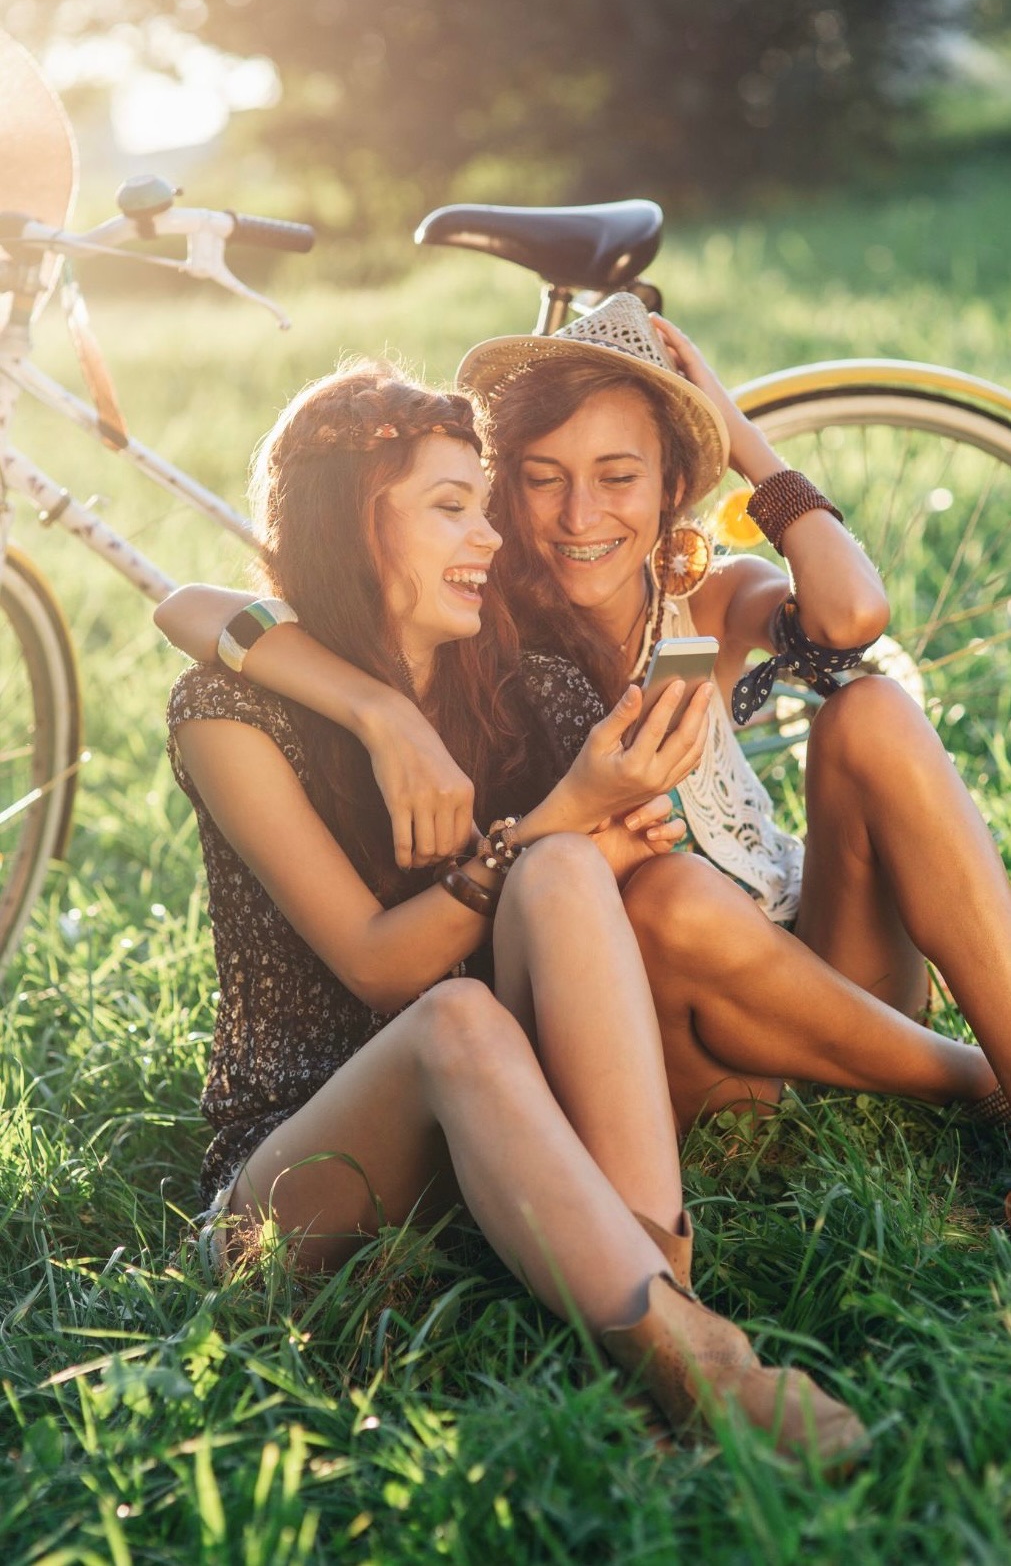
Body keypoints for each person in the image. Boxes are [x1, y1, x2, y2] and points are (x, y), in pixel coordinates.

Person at [158, 362, 867, 1464]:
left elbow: (588, 882)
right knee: (456, 1020)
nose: (489, 535)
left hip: (502, 1149)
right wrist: (388, 715)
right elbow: (383, 972)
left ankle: (653, 1291)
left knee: (566, 876)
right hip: (295, 1178)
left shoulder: (517, 673)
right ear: (354, 520)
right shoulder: (236, 714)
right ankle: (698, 1357)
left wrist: (590, 829)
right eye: (452, 507)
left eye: (485, 507)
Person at [156, 298, 1010, 1135]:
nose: (580, 516)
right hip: (691, 1030)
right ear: (502, 491)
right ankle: (968, 1082)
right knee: (667, 899)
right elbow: (191, 607)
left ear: (672, 486)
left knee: (871, 710)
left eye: (618, 477)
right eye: (542, 480)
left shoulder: (704, 600)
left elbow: (853, 616)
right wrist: (382, 711)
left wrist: (737, 433)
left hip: (833, 963)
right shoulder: (483, 624)